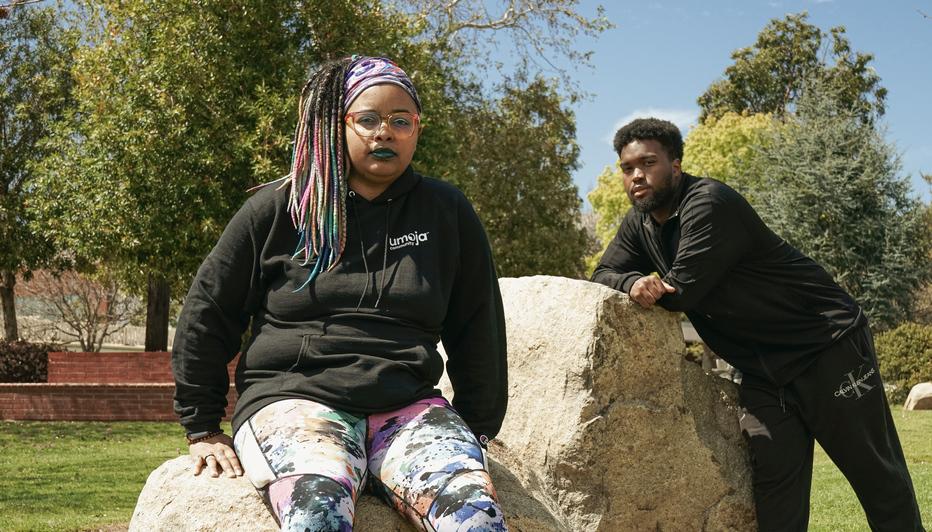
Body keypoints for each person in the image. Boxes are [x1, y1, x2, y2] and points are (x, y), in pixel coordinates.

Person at [171, 56, 509, 531]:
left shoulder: (446, 211)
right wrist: (202, 426)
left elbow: (479, 326)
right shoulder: (279, 209)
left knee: (476, 522)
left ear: (418, 129)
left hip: (408, 407)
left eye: (400, 121)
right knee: (319, 515)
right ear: (336, 125)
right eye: (367, 119)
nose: (384, 133)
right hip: (294, 402)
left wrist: (474, 428)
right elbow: (208, 312)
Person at [591, 118, 924, 532]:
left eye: (648, 163)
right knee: (775, 496)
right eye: (627, 168)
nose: (637, 176)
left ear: (675, 165)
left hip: (827, 347)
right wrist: (631, 280)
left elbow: (684, 293)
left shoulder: (709, 203)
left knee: (878, 480)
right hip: (764, 374)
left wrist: (647, 285)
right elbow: (603, 272)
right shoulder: (639, 225)